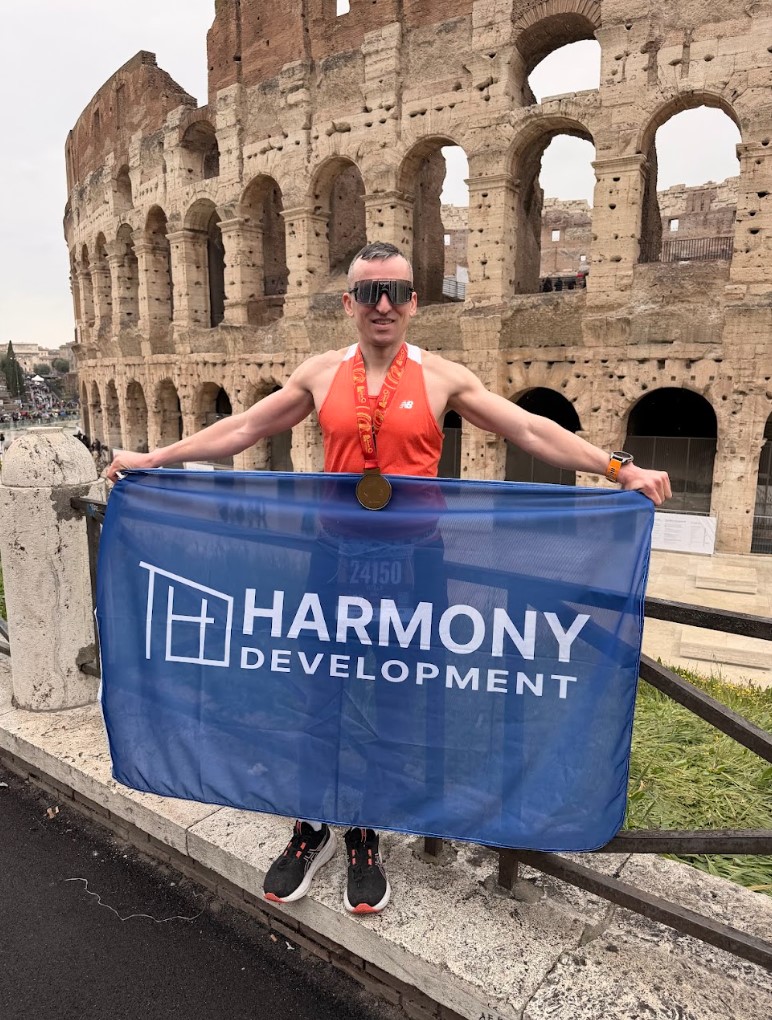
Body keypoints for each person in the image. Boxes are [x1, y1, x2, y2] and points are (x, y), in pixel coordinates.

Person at [106, 240, 671, 915]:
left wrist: (618, 468)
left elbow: (529, 430)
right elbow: (245, 428)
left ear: (413, 303)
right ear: (349, 303)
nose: (383, 305)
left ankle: (365, 832)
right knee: (319, 693)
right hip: (335, 560)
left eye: (396, 292)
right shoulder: (321, 373)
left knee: (397, 697)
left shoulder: (441, 377)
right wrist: (155, 459)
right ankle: (310, 825)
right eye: (370, 292)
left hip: (414, 565)